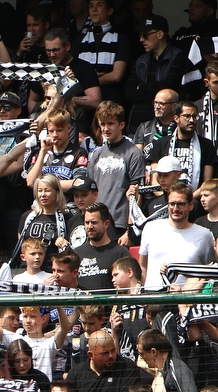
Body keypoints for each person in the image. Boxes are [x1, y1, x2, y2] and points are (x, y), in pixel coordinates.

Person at [140, 183, 216, 290]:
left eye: (180, 204)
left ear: (191, 205)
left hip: (185, 300)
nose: (175, 208)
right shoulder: (150, 228)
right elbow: (142, 266)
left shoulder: (204, 235)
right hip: (152, 296)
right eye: (172, 203)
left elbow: (209, 270)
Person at [88, 101, 147, 230]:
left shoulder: (134, 153)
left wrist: (130, 227)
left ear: (121, 125)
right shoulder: (96, 154)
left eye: (110, 123)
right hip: (97, 221)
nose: (106, 128)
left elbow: (137, 193)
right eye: (102, 124)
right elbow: (90, 190)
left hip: (120, 222)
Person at [73, 202, 131, 290]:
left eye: (94, 222)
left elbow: (130, 284)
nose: (90, 226)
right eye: (87, 222)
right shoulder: (77, 254)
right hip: (83, 303)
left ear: (106, 224)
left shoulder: (120, 253)